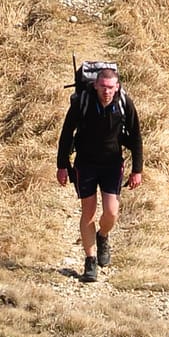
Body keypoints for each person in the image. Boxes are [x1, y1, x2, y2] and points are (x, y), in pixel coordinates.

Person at [56, 61, 143, 282]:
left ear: (117, 87)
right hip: (85, 163)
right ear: (95, 86)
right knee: (88, 212)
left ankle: (102, 235)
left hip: (112, 164)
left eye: (111, 87)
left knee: (111, 212)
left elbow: (135, 137)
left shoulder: (124, 103)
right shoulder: (81, 103)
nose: (106, 91)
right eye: (103, 86)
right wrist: (62, 165)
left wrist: (137, 170)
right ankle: (90, 261)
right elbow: (66, 134)